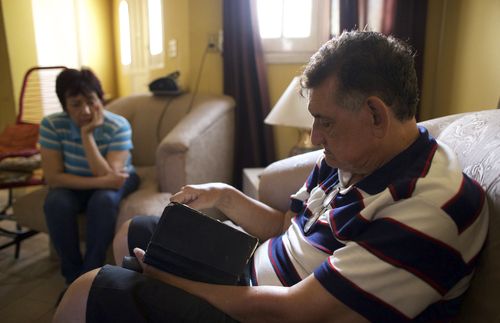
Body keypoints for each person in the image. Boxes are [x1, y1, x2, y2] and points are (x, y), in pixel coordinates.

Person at [54, 31, 488, 322]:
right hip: (253, 269)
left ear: (375, 113)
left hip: (269, 311)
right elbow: (287, 226)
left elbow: (293, 312)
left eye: (325, 121)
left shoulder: (426, 206)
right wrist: (224, 196)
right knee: (135, 232)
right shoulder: (358, 158)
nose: (316, 136)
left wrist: (171, 280)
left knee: (86, 291)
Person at [39, 68, 140, 286]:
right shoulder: (51, 125)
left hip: (118, 178)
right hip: (78, 182)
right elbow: (54, 179)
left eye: (91, 101)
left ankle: (90, 278)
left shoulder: (118, 125)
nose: (85, 110)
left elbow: (108, 173)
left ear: (100, 99)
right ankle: (72, 278)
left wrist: (87, 136)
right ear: (65, 106)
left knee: (103, 200)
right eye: (76, 104)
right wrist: (104, 182)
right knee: (56, 202)